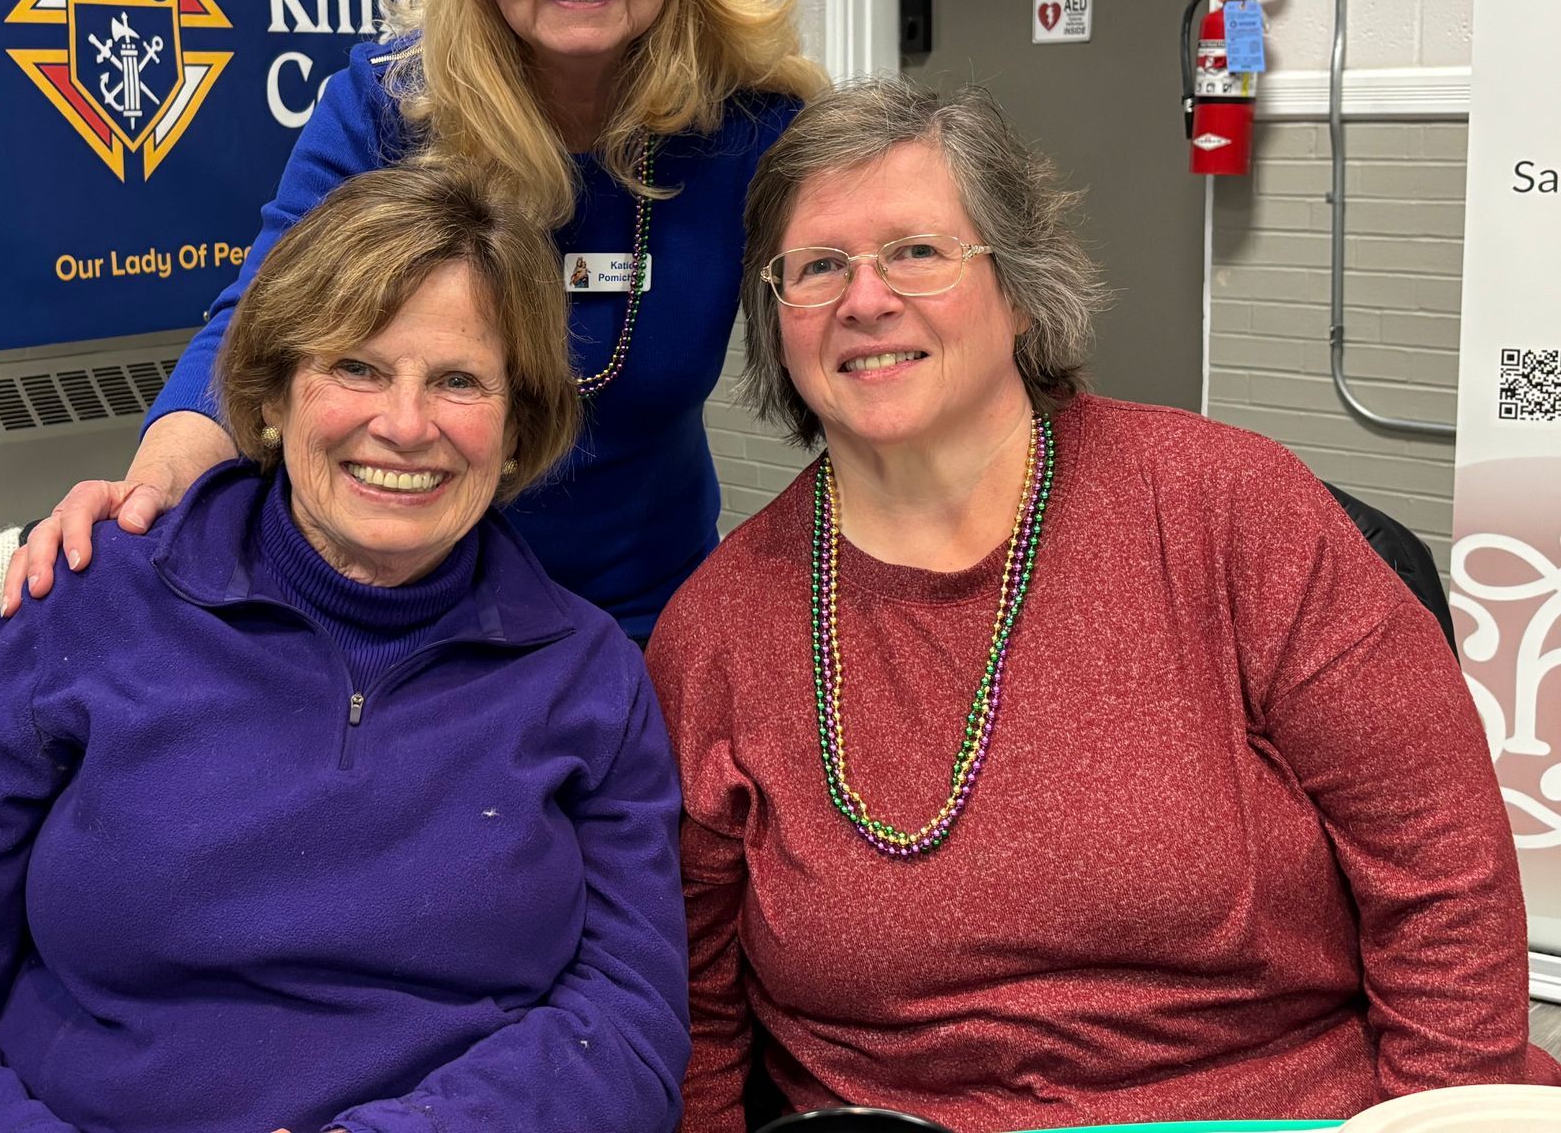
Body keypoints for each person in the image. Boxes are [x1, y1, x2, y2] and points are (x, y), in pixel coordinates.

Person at [645, 78, 1561, 1132]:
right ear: (777, 323)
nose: (865, 300)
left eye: (917, 251)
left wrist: (1441, 1119)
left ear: (1020, 289)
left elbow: (1441, 870)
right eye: (817, 267)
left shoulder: (1231, 508)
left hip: (1279, 1110)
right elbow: (694, 1011)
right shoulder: (718, 630)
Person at [0, 169, 691, 1133]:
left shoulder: (589, 677)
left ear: (519, 428)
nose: (404, 425)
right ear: (269, 397)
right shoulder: (85, 605)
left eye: (458, 381)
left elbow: (628, 1025)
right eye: (355, 367)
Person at [4, 0, 827, 641]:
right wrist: (155, 483)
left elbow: (857, 329)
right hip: (400, 609)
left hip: (643, 617)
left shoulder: (752, 130)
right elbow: (257, 323)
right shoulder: (389, 108)